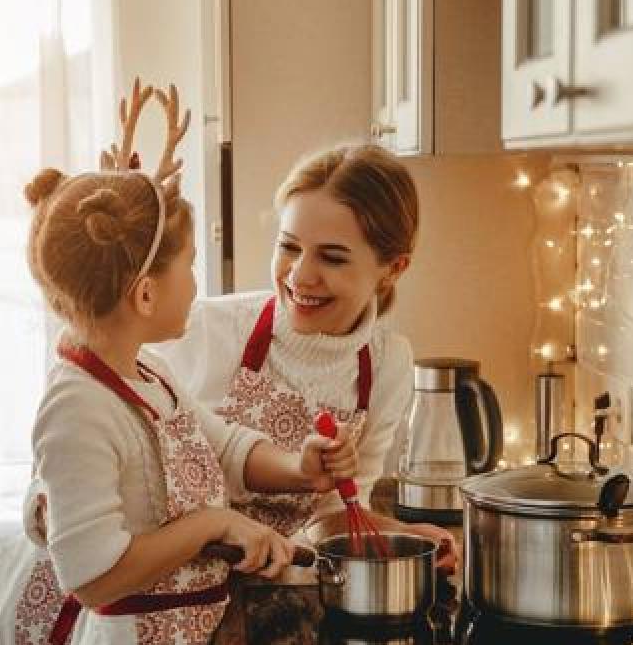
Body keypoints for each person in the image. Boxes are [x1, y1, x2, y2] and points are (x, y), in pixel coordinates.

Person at [0, 82, 357, 645]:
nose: (199, 285)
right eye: (191, 267)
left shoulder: (148, 375)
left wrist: (300, 467)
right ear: (144, 295)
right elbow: (92, 578)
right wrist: (213, 525)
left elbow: (222, 446)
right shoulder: (78, 407)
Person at [155, 142, 456, 562]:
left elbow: (336, 513)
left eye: (332, 258)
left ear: (393, 268)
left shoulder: (388, 363)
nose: (300, 276)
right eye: (290, 247)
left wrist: (404, 535)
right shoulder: (204, 328)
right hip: (173, 588)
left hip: (273, 599)